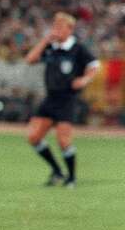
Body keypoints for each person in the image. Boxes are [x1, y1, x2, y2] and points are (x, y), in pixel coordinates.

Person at [25, 12, 99, 188]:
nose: (56, 30)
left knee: (63, 140)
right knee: (34, 137)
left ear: (70, 29)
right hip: (50, 98)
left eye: (60, 27)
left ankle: (71, 178)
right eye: (54, 26)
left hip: (67, 99)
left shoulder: (78, 49)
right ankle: (57, 171)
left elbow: (94, 66)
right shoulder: (52, 47)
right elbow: (30, 59)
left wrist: (84, 79)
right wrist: (45, 40)